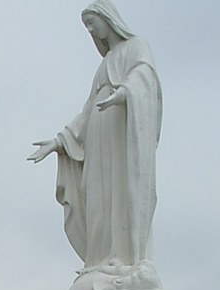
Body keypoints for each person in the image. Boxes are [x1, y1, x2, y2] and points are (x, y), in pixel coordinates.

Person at [28, 1, 162, 274]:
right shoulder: (104, 65)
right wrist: (59, 141)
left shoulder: (136, 47)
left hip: (120, 135)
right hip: (98, 138)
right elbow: (87, 111)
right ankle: (100, 259)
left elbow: (145, 77)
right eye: (86, 25)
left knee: (118, 190)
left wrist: (125, 92)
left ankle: (122, 257)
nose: (90, 29)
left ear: (107, 18)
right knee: (98, 195)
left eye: (92, 22)